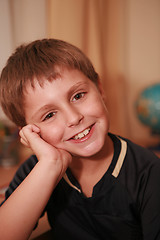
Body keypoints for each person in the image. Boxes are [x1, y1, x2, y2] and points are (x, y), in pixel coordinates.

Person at [0, 39, 160, 240]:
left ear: (100, 89)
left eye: (78, 96)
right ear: (30, 133)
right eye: (49, 115)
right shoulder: (38, 171)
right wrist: (51, 164)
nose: (74, 118)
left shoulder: (150, 173)